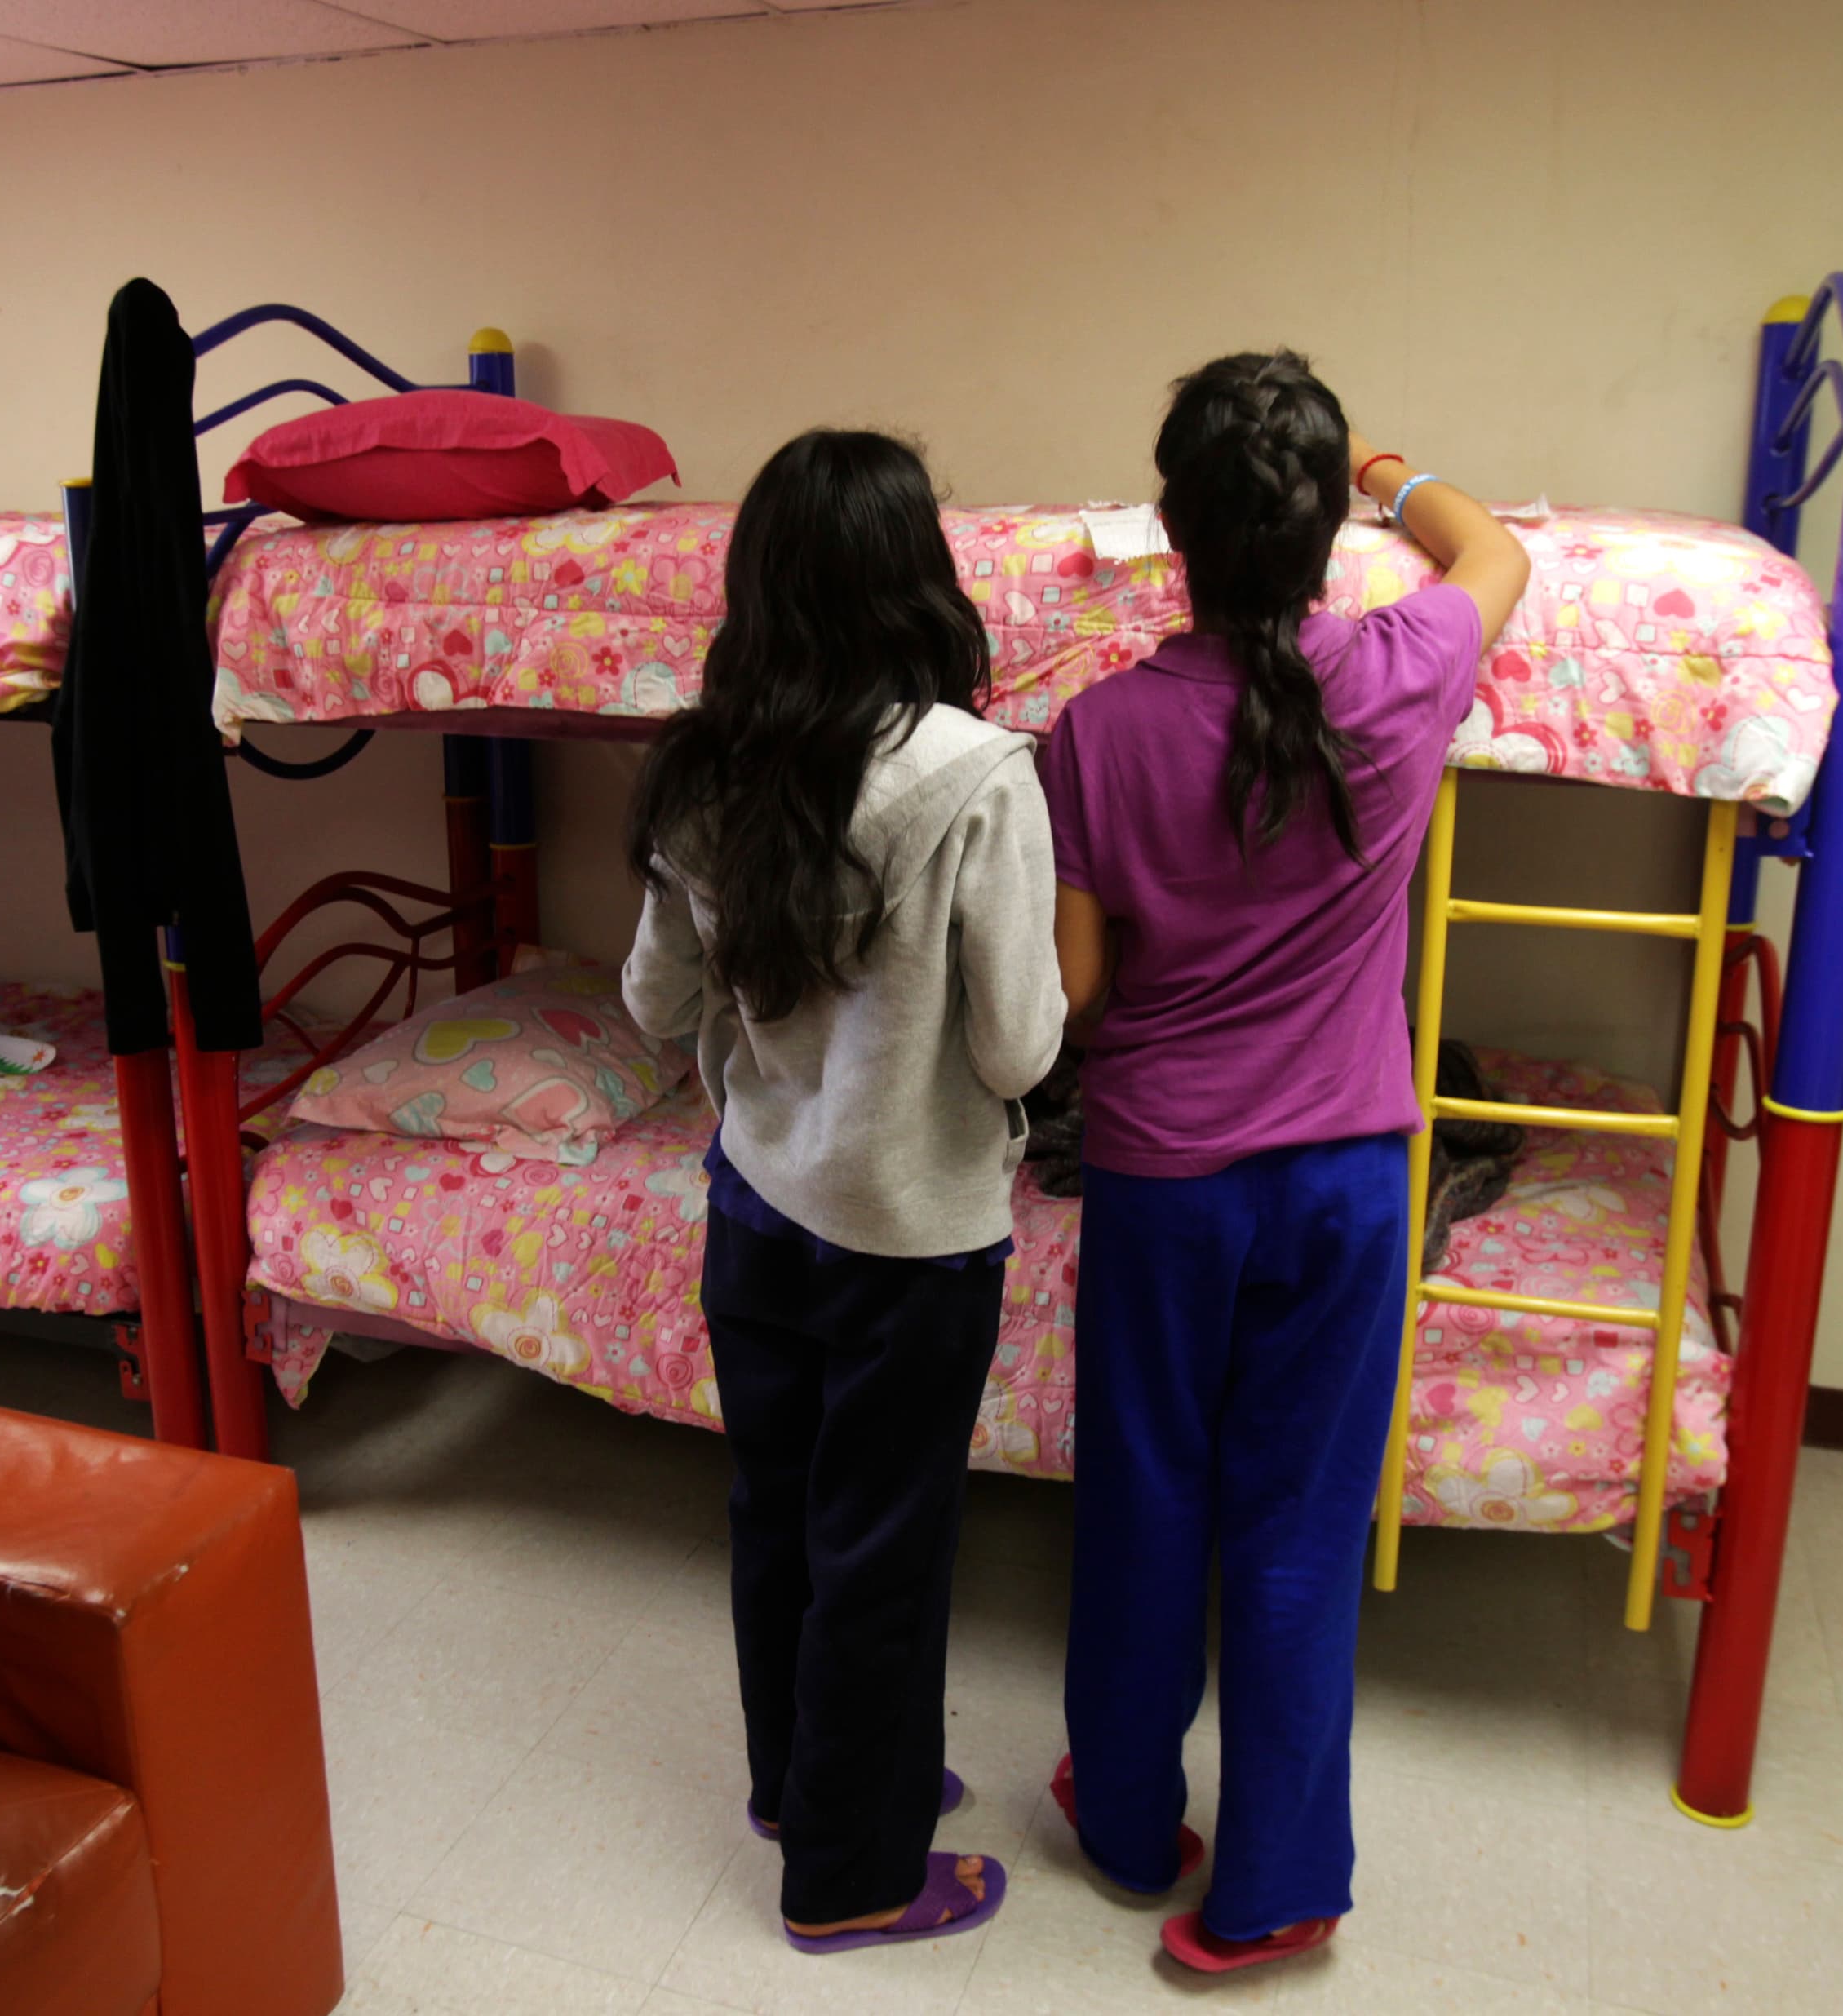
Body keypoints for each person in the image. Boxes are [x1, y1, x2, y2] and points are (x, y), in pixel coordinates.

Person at [1043, 352, 1531, 1974]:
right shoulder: (1401, 666)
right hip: (1342, 1184)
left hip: (1163, 1179)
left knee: (1140, 1500)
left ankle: (1120, 1817)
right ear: (1323, 526)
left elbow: (1078, 996)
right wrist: (1396, 473)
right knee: (1297, 1526)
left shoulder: (1096, 731)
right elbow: (1496, 553)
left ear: (1172, 528)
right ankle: (1268, 1889)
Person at [622, 428, 1064, 1954]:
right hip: (910, 1238)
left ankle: (797, 1785)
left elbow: (653, 1000)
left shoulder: (703, 766)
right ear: (913, 576)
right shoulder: (973, 776)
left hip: (754, 1205)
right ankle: (854, 1873)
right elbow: (1016, 1049)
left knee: (780, 1515)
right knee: (884, 1545)